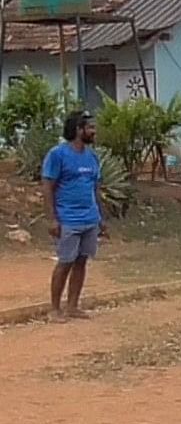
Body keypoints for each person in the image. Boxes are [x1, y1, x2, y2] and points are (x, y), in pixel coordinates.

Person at [42, 111, 105, 322]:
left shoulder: (92, 156)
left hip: (90, 218)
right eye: (90, 128)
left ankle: (72, 306)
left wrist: (100, 217)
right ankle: (54, 309)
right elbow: (48, 186)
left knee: (81, 261)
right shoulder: (57, 155)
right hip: (68, 218)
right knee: (65, 262)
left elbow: (96, 187)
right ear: (79, 130)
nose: (94, 132)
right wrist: (52, 218)